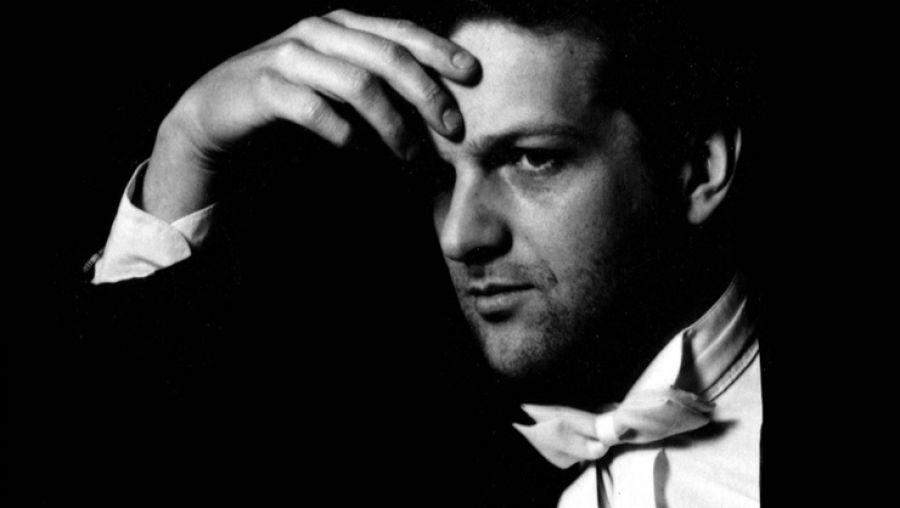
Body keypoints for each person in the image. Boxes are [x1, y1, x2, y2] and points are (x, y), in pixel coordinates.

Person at [72, 0, 767, 506]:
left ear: (698, 170)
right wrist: (186, 143)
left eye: (532, 160)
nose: (461, 235)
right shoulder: (374, 427)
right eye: (440, 175)